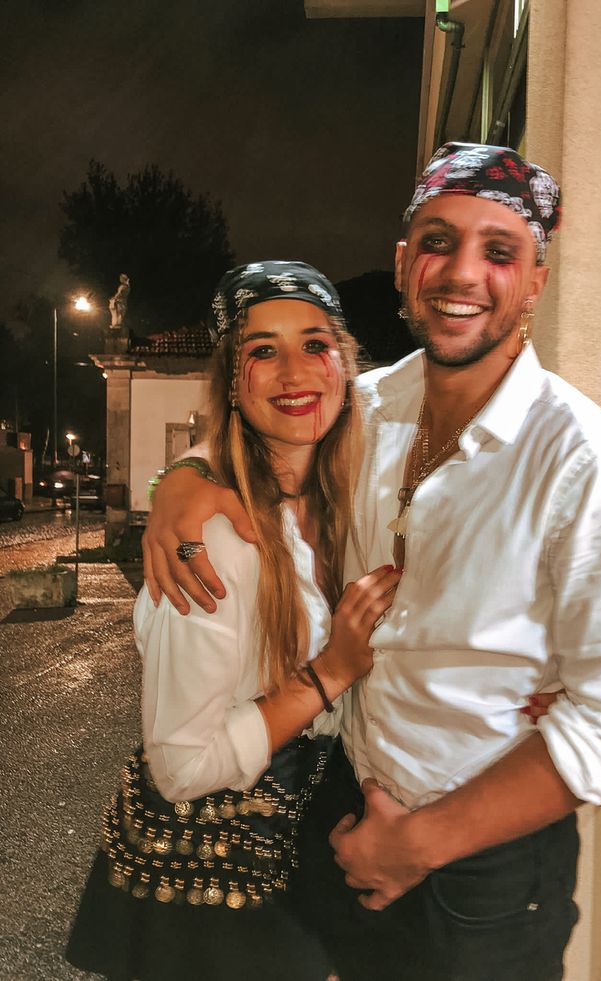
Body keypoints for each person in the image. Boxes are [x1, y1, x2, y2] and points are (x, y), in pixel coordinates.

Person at [141, 144, 601, 981]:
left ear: (535, 280)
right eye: (438, 239)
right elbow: (265, 424)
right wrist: (183, 478)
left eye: (500, 251)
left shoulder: (588, 465)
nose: (463, 271)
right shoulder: (372, 403)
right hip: (351, 809)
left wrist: (415, 844)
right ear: (402, 262)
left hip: (482, 868)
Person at [65, 260, 402, 981]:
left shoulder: (346, 500)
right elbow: (182, 765)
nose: (293, 371)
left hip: (307, 861)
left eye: (316, 344)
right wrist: (330, 671)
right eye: (261, 349)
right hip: (222, 902)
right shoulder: (217, 538)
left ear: (346, 365)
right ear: (233, 382)